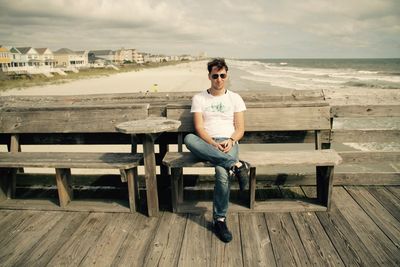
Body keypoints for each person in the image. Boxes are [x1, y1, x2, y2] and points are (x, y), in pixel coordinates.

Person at [184, 58, 250, 243]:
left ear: (227, 76)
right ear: (209, 77)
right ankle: (237, 165)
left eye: (222, 75)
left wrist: (230, 140)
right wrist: (212, 143)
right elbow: (199, 128)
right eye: (215, 76)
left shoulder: (235, 98)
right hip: (207, 143)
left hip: (229, 143)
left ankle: (219, 220)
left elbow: (240, 129)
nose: (219, 79)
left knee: (222, 173)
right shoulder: (199, 98)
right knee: (189, 139)